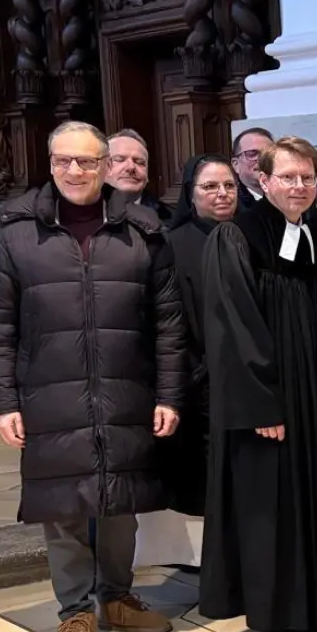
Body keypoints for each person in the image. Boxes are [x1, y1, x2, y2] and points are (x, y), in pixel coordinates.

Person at [0, 120, 184, 632]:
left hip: (126, 387)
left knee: (120, 501)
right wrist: (2, 402)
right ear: (50, 164)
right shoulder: (15, 231)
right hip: (49, 389)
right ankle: (74, 610)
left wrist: (169, 394)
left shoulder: (142, 230)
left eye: (88, 161)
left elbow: (168, 323)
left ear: (106, 165)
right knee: (62, 504)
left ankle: (116, 596)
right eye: (64, 160)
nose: (75, 170)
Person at [199, 135, 317, 632]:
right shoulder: (236, 237)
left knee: (314, 499)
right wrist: (261, 404)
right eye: (288, 177)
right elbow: (233, 329)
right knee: (273, 510)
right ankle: (277, 624)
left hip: (313, 400)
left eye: (307, 177)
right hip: (268, 405)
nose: (300, 186)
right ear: (263, 180)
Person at [134, 154, 240, 571]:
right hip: (202, 384)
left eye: (229, 185)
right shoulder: (174, 244)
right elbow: (169, 321)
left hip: (250, 382)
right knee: (210, 483)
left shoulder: (250, 235)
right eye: (210, 187)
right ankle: (216, 570)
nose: (222, 194)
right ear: (191, 194)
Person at [107, 129, 174, 222]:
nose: (131, 167)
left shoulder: (171, 218)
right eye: (119, 160)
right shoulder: (87, 214)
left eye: (139, 162)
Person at [231, 127, 273, 209]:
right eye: (252, 153)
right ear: (236, 164)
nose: (262, 159)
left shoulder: (290, 196)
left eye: (268, 154)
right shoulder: (229, 204)